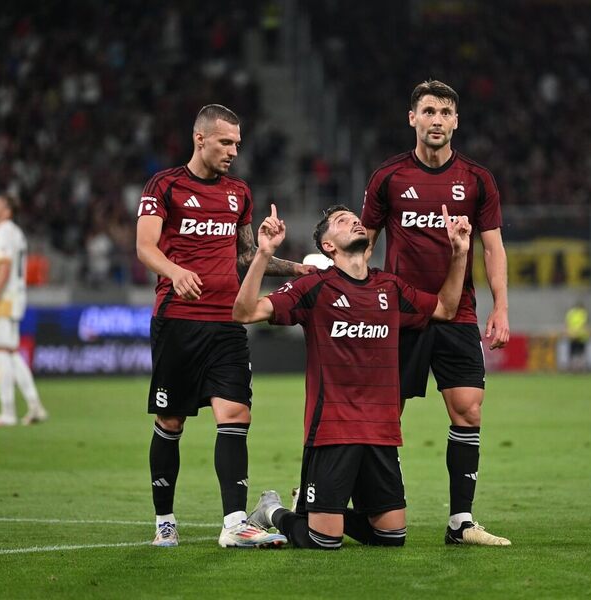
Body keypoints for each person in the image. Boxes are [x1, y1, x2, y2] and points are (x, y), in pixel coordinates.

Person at [234, 203, 471, 549]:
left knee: (391, 537)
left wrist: (460, 254)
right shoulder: (314, 287)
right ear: (327, 246)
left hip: (382, 432)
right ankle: (273, 511)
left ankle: (311, 506)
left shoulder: (390, 288)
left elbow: (446, 308)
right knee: (323, 541)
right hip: (333, 430)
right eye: (343, 222)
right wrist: (264, 254)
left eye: (357, 220)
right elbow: (244, 311)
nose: (356, 223)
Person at [135, 104, 310, 549]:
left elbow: (247, 257)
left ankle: (234, 523)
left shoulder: (239, 193)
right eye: (225, 142)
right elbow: (144, 246)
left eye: (237, 143)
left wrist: (297, 270)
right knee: (171, 420)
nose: (233, 151)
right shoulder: (165, 185)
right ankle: (165, 521)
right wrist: (174, 272)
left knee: (235, 415)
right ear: (200, 139)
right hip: (178, 322)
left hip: (228, 322)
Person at [360, 79, 511, 546]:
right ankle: (377, 507)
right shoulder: (388, 177)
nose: (438, 120)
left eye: (446, 112)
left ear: (456, 121)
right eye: (429, 111)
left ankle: (460, 521)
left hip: (458, 313)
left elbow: (493, 248)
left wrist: (501, 307)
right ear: (413, 118)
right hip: (400, 316)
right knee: (387, 415)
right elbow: (361, 245)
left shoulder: (477, 179)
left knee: (468, 411)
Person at [0, 193, 47, 427]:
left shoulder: (4, 232)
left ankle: (7, 412)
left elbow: (5, 268)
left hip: (3, 299)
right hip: (14, 297)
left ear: (7, 210)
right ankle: (35, 405)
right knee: (9, 352)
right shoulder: (16, 232)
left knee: (0, 352)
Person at [565, 300, 589, 372]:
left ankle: (576, 368)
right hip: (578, 335)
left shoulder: (571, 313)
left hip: (576, 335)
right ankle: (577, 368)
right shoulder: (583, 313)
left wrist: (572, 332)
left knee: (575, 353)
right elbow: (584, 324)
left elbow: (568, 324)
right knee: (578, 353)